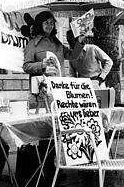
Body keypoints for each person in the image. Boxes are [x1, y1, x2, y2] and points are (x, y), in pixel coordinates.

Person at [22, 11, 85, 186]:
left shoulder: (57, 43)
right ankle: (45, 170)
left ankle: (53, 166)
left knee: (56, 131)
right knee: (44, 132)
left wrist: (79, 41)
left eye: (52, 22)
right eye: (46, 23)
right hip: (41, 93)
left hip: (59, 92)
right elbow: (26, 66)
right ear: (39, 24)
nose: (50, 25)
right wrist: (42, 65)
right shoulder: (33, 44)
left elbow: (73, 56)